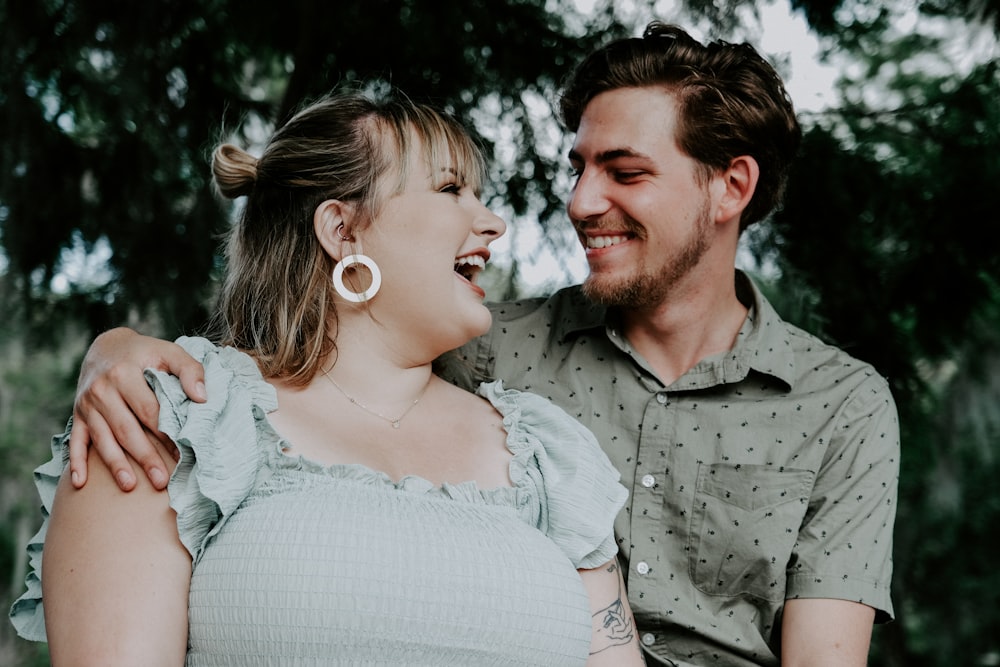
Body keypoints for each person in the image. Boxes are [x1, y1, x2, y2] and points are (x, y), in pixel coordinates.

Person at [36, 21, 900, 667]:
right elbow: (311, 368)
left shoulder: (839, 403)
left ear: (731, 189)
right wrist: (114, 352)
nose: (576, 203)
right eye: (577, 168)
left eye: (625, 172)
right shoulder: (489, 352)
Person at [9, 89, 650, 666]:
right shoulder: (179, 415)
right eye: (452, 190)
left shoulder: (547, 453)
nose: (492, 223)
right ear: (342, 229)